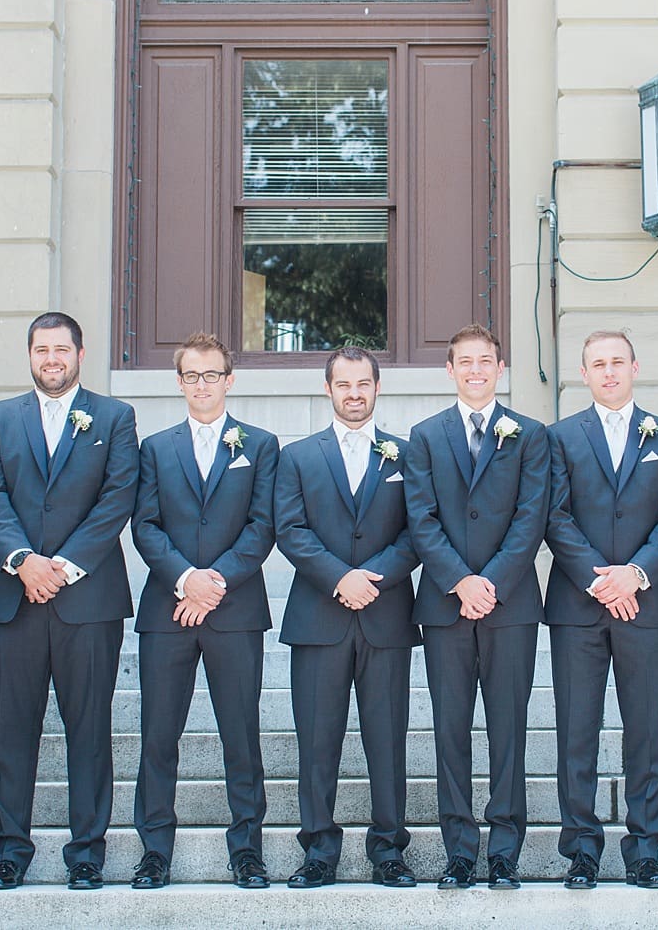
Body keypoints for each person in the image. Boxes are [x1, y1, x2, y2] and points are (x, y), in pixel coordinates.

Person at [0, 312, 139, 891]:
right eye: (42, 350)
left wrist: (62, 568)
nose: (51, 359)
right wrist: (22, 561)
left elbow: (118, 496)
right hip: (12, 599)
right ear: (30, 356)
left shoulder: (115, 417)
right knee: (12, 731)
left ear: (80, 354)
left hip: (87, 601)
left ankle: (87, 854)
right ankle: (7, 854)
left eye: (61, 349)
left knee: (88, 730)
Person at [544, 330, 658, 890]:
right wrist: (599, 579)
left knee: (646, 731)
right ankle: (581, 849)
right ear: (583, 374)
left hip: (647, 603)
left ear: (635, 367)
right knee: (576, 731)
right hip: (578, 606)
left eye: (617, 363)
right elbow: (553, 515)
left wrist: (635, 574)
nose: (608, 372)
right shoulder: (559, 438)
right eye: (597, 364)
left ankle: (646, 849)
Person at [129, 332, 277, 890]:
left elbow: (263, 526)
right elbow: (144, 525)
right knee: (158, 736)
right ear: (179, 382)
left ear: (229, 380)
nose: (202, 384)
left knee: (240, 735)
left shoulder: (259, 445)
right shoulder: (156, 448)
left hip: (235, 611)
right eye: (192, 375)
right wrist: (186, 580)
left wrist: (214, 583)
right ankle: (154, 852)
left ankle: (247, 850)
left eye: (212, 374)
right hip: (167, 612)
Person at [404, 323, 549, 890]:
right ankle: (460, 851)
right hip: (444, 606)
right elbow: (421, 518)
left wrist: (490, 582)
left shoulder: (529, 435)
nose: (474, 370)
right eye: (464, 361)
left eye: (484, 361)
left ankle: (505, 852)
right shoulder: (424, 435)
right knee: (450, 729)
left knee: (509, 729)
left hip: (510, 606)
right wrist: (460, 581)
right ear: (450, 370)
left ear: (499, 367)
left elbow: (531, 516)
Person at [274, 346, 420, 890]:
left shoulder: (407, 455)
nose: (354, 394)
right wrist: (340, 578)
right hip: (319, 616)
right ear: (328, 389)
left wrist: (373, 578)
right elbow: (290, 530)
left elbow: (418, 531)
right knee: (317, 740)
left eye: (363, 384)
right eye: (344, 385)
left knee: (388, 738)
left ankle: (388, 850)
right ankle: (318, 851)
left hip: (386, 617)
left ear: (378, 388)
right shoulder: (298, 456)